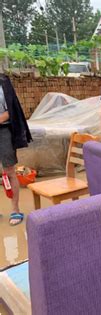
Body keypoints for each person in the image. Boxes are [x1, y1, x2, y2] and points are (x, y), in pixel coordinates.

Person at [0, 73, 32, 226]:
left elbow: (11, 111)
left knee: (9, 170)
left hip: (4, 131)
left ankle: (15, 210)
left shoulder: (3, 82)